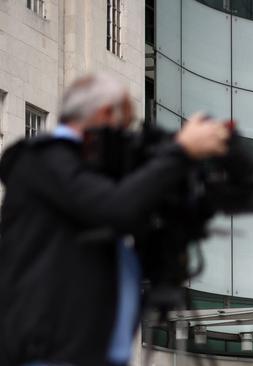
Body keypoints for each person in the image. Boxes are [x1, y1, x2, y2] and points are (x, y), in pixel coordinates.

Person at [0, 73, 232, 366]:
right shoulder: (44, 160)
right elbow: (115, 207)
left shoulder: (86, 178)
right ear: (106, 113)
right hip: (49, 355)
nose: (128, 138)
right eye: (127, 126)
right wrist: (181, 151)